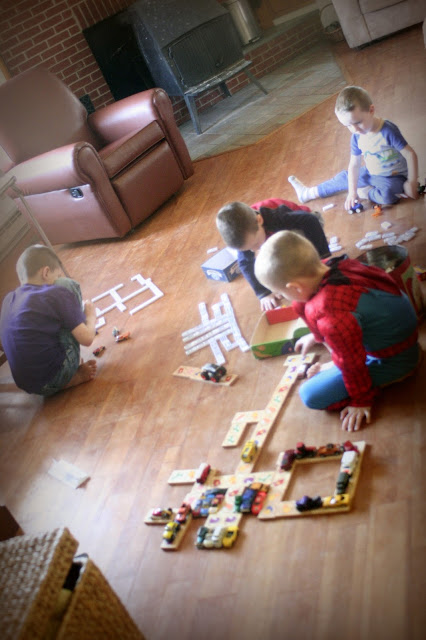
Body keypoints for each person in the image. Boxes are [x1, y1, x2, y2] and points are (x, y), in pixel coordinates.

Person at [254, 231, 421, 432]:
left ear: (295, 287)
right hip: (392, 334)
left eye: (282, 293)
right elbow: (306, 305)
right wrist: (317, 335)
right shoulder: (329, 266)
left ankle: (389, 377)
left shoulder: (333, 317)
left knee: (310, 395)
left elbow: (351, 364)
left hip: (397, 358)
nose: (283, 298)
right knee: (301, 305)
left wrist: (361, 400)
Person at [288, 85, 419, 210]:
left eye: (358, 122)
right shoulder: (357, 136)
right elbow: (354, 165)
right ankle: (308, 193)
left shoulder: (388, 131)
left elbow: (410, 154)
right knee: (344, 178)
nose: (355, 129)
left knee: (388, 195)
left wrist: (412, 181)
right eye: (348, 126)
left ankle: (367, 192)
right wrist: (352, 192)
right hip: (371, 172)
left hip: (394, 177)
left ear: (371, 110)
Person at [0, 244, 97, 396]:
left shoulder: (8, 300)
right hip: (55, 377)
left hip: (28, 386)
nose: (58, 280)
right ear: (45, 272)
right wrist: (90, 316)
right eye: (57, 276)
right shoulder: (56, 293)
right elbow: (87, 339)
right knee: (67, 285)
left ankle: (59, 384)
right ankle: (68, 377)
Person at [216, 197, 330, 311]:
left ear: (259, 220)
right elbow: (245, 264)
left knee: (289, 251)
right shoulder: (246, 235)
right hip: (277, 232)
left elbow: (310, 220)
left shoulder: (276, 218)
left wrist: (321, 258)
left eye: (255, 244)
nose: (254, 249)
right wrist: (263, 293)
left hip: (308, 223)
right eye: (249, 248)